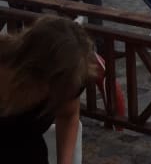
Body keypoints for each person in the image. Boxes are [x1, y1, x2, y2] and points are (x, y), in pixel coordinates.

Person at [0, 15, 95, 164]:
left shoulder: (68, 81)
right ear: (33, 68)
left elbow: (68, 116)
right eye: (56, 83)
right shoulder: (4, 68)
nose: (61, 92)